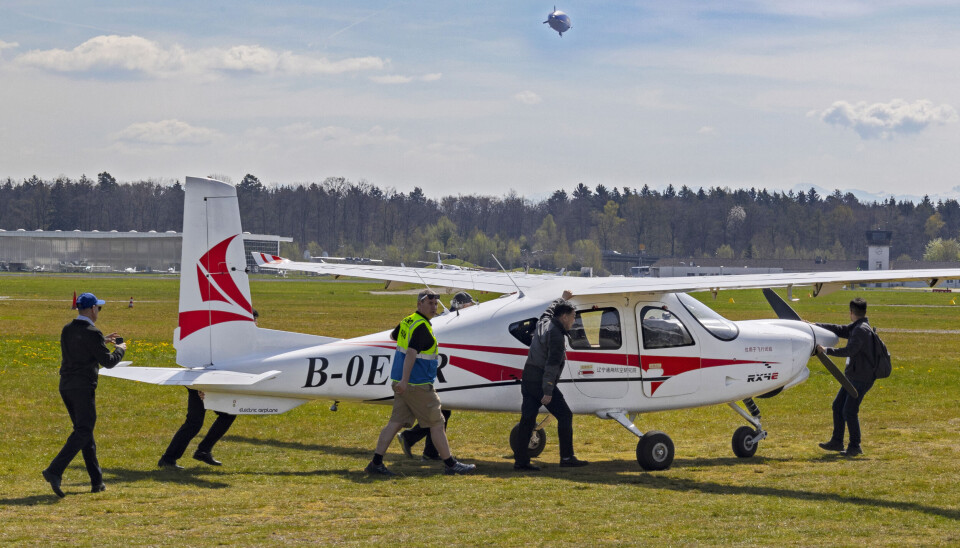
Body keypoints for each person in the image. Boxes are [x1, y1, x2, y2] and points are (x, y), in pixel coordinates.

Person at [366, 289, 476, 476]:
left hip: (401, 382)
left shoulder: (409, 320)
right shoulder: (422, 328)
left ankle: (375, 463)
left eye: (435, 304)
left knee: (395, 423)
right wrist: (405, 380)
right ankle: (450, 465)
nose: (434, 307)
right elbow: (411, 353)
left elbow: (394, 336)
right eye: (430, 303)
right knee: (437, 423)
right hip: (416, 385)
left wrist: (401, 381)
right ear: (419, 304)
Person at [42, 292, 127, 497]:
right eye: (99, 307)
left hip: (66, 386)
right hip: (83, 387)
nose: (99, 311)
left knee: (84, 432)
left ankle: (97, 482)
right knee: (83, 430)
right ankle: (54, 470)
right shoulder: (92, 331)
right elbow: (108, 362)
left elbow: (80, 348)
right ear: (92, 309)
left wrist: (102, 342)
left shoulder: (68, 329)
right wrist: (120, 349)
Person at [157, 309, 257, 469]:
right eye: (253, 322)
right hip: (200, 381)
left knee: (226, 415)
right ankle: (169, 459)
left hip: (210, 383)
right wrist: (202, 387)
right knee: (195, 423)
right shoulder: (222, 340)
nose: (256, 325)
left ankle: (202, 451)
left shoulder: (234, 339)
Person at [513, 290, 588, 471]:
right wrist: (548, 390)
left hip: (528, 376)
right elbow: (552, 364)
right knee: (565, 415)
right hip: (541, 380)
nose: (574, 321)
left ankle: (521, 462)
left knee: (528, 419)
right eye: (572, 317)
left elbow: (549, 309)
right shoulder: (556, 335)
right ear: (563, 317)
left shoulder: (544, 322)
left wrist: (562, 298)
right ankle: (567, 457)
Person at [396, 292, 476, 460]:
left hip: (433, 371)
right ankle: (416, 441)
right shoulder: (456, 322)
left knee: (441, 412)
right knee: (437, 414)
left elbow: (395, 337)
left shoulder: (438, 319)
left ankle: (428, 450)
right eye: (468, 305)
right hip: (432, 373)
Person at [815, 297, 877, 457]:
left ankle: (855, 446)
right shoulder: (858, 327)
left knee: (849, 411)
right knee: (838, 406)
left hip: (861, 378)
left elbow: (850, 350)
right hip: (854, 376)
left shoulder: (861, 330)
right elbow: (840, 329)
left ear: (851, 312)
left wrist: (826, 350)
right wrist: (815, 326)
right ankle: (837, 442)